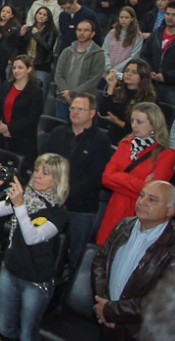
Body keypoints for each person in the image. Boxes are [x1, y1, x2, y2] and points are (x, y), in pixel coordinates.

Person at [0, 154, 70, 341]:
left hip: (35, 281)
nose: (37, 175)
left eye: (45, 173)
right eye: (37, 170)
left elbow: (33, 238)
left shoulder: (58, 212)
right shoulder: (25, 196)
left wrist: (20, 206)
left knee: (27, 334)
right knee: (5, 328)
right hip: (10, 271)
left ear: (57, 180)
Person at [93, 181, 175, 341]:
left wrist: (112, 311)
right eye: (142, 195)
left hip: (138, 332)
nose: (142, 202)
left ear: (170, 209)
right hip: (104, 321)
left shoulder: (171, 245)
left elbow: (160, 300)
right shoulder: (124, 225)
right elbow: (100, 262)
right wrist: (103, 305)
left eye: (152, 200)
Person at [42, 93, 113, 272]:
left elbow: (95, 177)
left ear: (92, 113)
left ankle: (68, 295)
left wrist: (65, 193)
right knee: (46, 249)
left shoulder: (101, 140)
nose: (74, 112)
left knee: (77, 256)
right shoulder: (58, 133)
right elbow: (44, 163)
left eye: (80, 109)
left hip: (81, 207)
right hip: (52, 202)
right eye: (72, 108)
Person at [96, 103, 175, 245]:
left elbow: (153, 194)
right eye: (132, 121)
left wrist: (119, 178)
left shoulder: (166, 155)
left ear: (153, 125)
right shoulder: (125, 144)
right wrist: (142, 184)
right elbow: (106, 177)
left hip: (140, 216)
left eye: (139, 122)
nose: (134, 125)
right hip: (114, 211)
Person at [0, 55, 43, 172]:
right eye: (14, 68)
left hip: (22, 140)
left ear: (29, 69)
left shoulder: (35, 91)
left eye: (20, 67)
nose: (16, 71)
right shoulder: (6, 85)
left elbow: (32, 118)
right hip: (0, 136)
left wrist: (10, 128)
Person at [53, 20, 105, 120]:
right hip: (63, 100)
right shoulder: (67, 51)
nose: (82, 33)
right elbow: (58, 74)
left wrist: (72, 93)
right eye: (79, 30)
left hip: (84, 103)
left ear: (92, 33)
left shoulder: (98, 54)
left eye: (86, 30)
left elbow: (94, 80)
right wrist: (66, 94)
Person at [98, 60, 157, 146]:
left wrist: (117, 121)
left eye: (134, 72)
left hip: (134, 141)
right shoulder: (119, 91)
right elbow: (103, 113)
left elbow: (141, 128)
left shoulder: (148, 99)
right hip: (113, 137)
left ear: (142, 76)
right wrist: (111, 86)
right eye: (127, 70)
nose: (129, 74)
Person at [19, 6, 58, 97]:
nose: (41, 16)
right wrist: (21, 35)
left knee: (40, 91)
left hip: (42, 64)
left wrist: (37, 35)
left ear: (48, 18)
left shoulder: (51, 31)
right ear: (35, 15)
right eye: (39, 14)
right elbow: (21, 47)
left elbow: (47, 47)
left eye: (44, 15)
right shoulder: (29, 29)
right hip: (27, 63)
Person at [141, 0, 175, 105]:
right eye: (167, 14)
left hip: (171, 88)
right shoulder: (156, 33)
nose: (169, 17)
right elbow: (145, 54)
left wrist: (166, 76)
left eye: (174, 15)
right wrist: (149, 70)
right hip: (151, 84)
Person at [101, 7, 143, 74]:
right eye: (121, 17)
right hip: (107, 70)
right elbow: (104, 51)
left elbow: (133, 57)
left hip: (124, 72)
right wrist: (109, 68)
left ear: (132, 19)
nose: (123, 20)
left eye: (126, 18)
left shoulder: (137, 36)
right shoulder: (112, 33)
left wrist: (116, 69)